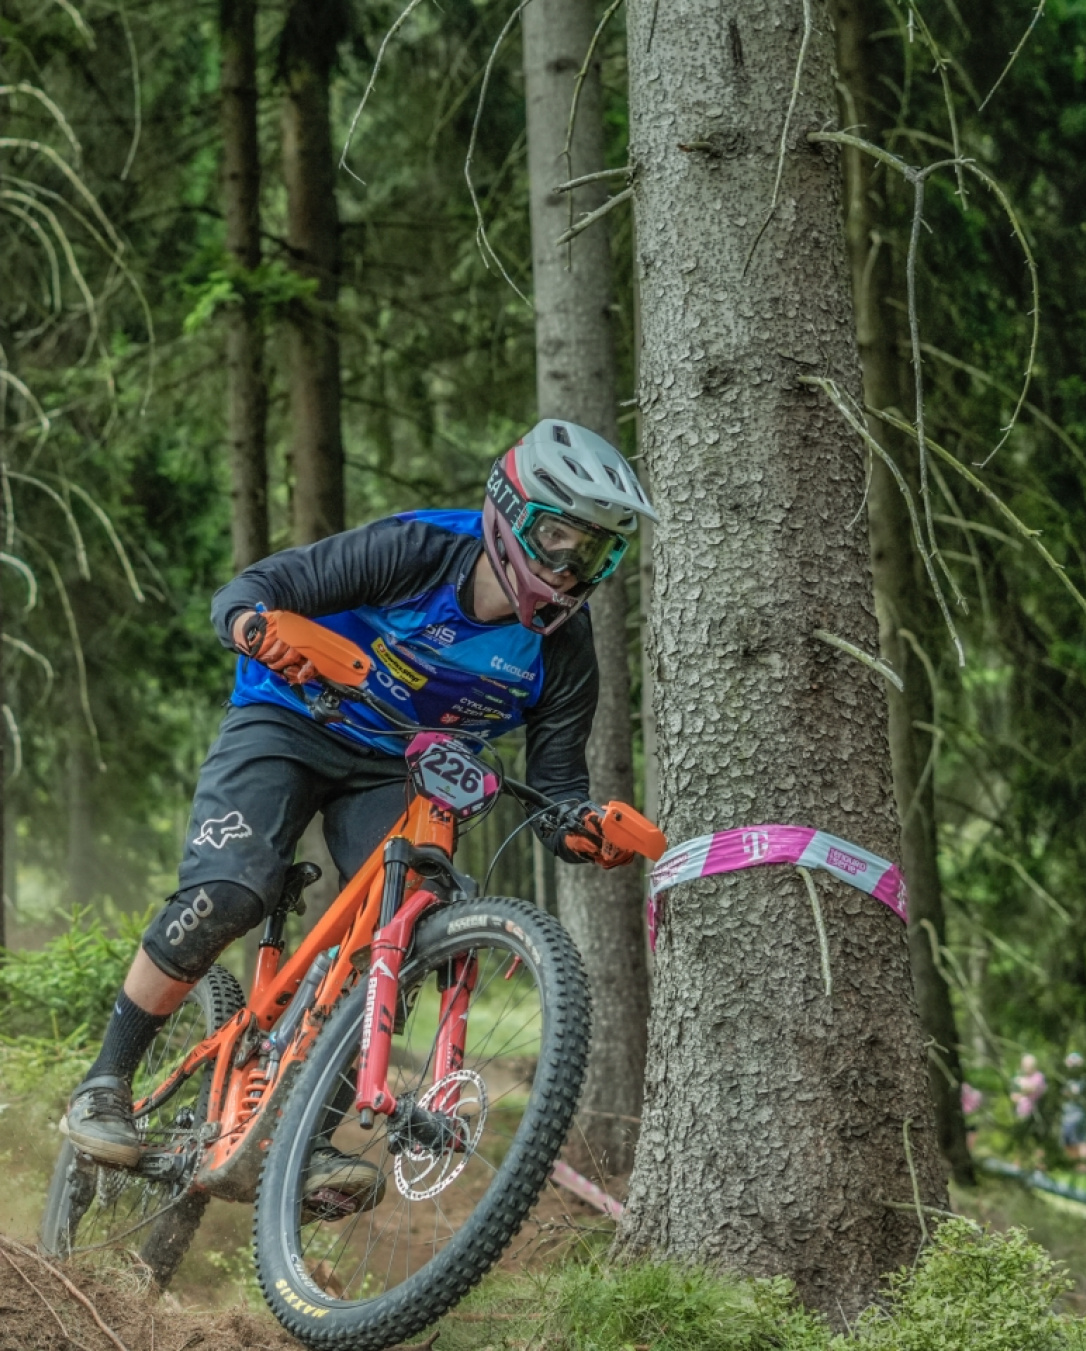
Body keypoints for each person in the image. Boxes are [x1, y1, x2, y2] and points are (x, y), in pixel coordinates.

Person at [59, 418, 660, 1203]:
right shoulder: (416, 550)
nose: (572, 569)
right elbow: (250, 592)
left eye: (596, 554)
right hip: (287, 719)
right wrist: (260, 630)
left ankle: (305, 1138)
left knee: (407, 922)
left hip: (397, 765)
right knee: (230, 893)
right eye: (559, 540)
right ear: (510, 512)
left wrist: (588, 829)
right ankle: (105, 1080)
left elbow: (555, 786)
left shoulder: (565, 648)